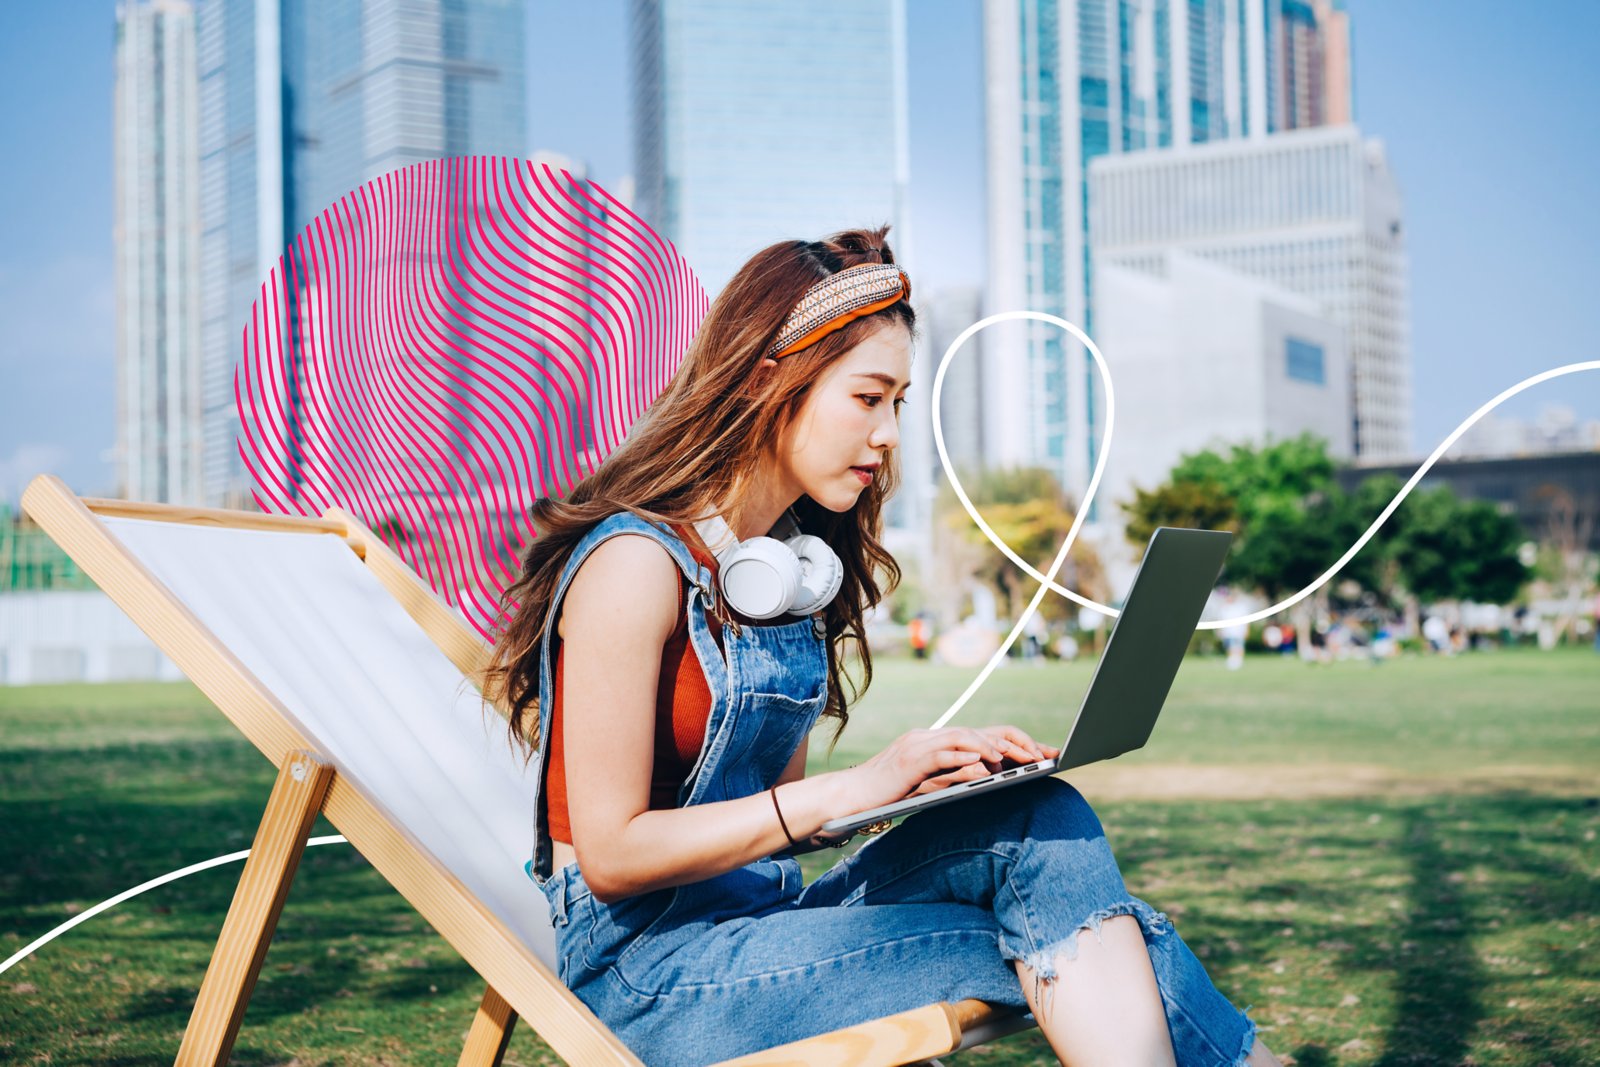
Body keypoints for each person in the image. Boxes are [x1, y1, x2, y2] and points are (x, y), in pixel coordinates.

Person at [481, 227, 1278, 1067]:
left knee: (1039, 819)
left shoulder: (785, 570)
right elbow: (608, 855)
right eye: (868, 398)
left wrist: (908, 787)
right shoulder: (633, 564)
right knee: (1076, 936)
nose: (891, 432)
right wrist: (848, 789)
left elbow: (769, 832)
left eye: (898, 401)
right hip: (650, 977)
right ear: (766, 381)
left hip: (762, 930)